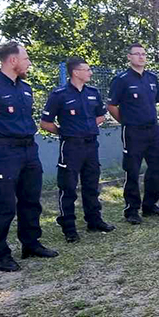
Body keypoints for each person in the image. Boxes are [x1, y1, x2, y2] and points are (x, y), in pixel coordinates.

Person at [0, 42, 58, 272]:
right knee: (4, 203)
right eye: (26, 58)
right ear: (13, 60)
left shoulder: (25, 88)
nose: (29, 63)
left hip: (28, 148)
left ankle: (31, 244)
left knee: (31, 200)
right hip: (3, 150)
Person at [41, 57, 116, 243]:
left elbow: (100, 116)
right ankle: (69, 227)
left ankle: (94, 220)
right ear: (76, 72)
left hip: (91, 145)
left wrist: (87, 127)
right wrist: (66, 132)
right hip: (71, 146)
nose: (90, 73)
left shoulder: (93, 92)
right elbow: (45, 123)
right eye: (87, 69)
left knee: (92, 185)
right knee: (68, 187)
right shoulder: (59, 95)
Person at [107, 43, 159, 224]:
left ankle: (150, 205)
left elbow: (154, 102)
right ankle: (132, 210)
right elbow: (111, 105)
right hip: (133, 132)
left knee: (158, 166)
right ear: (129, 57)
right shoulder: (121, 80)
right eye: (137, 54)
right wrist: (126, 121)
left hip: (152, 130)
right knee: (133, 171)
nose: (141, 57)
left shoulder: (152, 78)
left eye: (143, 54)